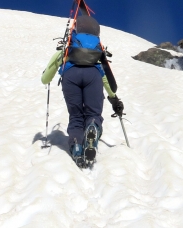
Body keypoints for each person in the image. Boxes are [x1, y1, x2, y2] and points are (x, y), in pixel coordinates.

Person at [41, 13, 124, 165]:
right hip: (93, 75)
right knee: (93, 113)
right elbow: (105, 77)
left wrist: (46, 73)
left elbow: (45, 79)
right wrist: (114, 98)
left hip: (70, 76)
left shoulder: (66, 51)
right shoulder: (96, 53)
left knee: (76, 116)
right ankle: (92, 127)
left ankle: (76, 147)